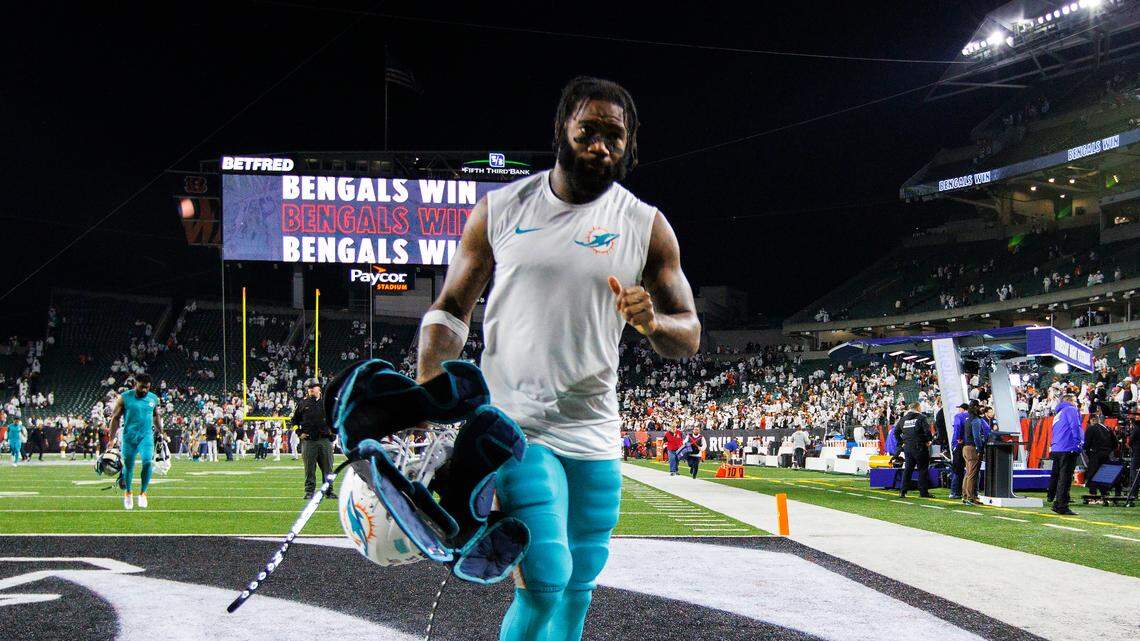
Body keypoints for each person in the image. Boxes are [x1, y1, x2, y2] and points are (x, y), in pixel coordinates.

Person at [415, 76, 700, 641]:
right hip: (517, 426)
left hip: (594, 431)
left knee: (578, 590)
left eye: (613, 136)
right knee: (546, 578)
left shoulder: (647, 225)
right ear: (562, 130)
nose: (600, 145)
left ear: (630, 143)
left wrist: (651, 322)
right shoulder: (500, 208)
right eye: (588, 130)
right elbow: (449, 310)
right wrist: (430, 394)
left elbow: (688, 334)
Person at [107, 373, 162, 510]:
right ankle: (128, 492)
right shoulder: (124, 398)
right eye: (142, 387)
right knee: (129, 466)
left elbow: (156, 416)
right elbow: (115, 418)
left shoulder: (153, 398)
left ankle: (143, 493)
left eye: (147, 388)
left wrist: (162, 432)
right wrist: (111, 439)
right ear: (135, 383)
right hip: (129, 437)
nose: (144, 390)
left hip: (146, 436)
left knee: (148, 462)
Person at [292, 379, 336, 499]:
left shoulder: (327, 403)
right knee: (309, 469)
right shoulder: (302, 403)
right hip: (309, 441)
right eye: (309, 387)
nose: (311, 389)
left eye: (313, 386)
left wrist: (333, 432)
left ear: (319, 388)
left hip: (324, 440)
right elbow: (294, 420)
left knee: (328, 468)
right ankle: (309, 492)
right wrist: (298, 432)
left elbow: (335, 419)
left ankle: (329, 491)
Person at [1047, 394, 1083, 515]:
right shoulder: (1071, 409)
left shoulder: (1058, 413)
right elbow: (1075, 426)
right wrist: (1078, 443)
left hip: (1057, 447)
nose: (1076, 403)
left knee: (1058, 476)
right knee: (1065, 477)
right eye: (1075, 400)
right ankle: (1062, 505)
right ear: (1069, 401)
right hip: (1067, 447)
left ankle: (1057, 501)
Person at [896, 402, 933, 498]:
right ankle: (923, 492)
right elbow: (927, 431)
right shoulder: (921, 418)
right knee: (922, 469)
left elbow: (896, 432)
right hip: (920, 446)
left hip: (908, 447)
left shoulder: (903, 419)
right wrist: (928, 440)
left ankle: (902, 491)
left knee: (908, 469)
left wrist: (902, 442)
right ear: (918, 408)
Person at [1083, 405, 1117, 499]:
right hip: (1106, 454)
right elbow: (1115, 443)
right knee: (1104, 474)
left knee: (1093, 473)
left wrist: (1088, 452)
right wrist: (1109, 451)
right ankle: (1104, 492)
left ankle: (1093, 493)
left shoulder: (1091, 428)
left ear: (1092, 420)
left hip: (1095, 454)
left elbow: (1087, 443)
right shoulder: (1107, 429)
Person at [961, 404, 988, 505]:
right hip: (972, 449)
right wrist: (980, 448)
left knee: (968, 473)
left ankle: (965, 496)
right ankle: (970, 497)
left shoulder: (968, 419)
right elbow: (976, 436)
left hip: (966, 448)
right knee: (972, 474)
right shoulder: (976, 420)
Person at [948, 403, 970, 499]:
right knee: (970, 470)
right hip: (970, 445)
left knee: (957, 469)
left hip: (960, 445)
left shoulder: (959, 416)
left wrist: (958, 440)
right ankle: (969, 492)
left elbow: (957, 428)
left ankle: (955, 492)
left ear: (962, 409)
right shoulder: (974, 417)